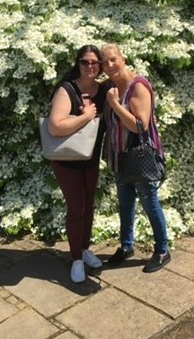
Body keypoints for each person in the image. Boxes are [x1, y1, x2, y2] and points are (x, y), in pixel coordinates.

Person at [101, 43, 171, 273]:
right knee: (125, 203)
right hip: (120, 156)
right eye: (104, 62)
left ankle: (162, 249)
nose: (109, 65)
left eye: (113, 59)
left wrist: (113, 104)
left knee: (149, 201)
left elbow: (139, 125)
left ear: (124, 59)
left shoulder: (138, 86)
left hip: (140, 156)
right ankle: (126, 246)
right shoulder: (111, 86)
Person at [48, 45, 108, 283]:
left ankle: (84, 249)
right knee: (76, 209)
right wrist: (85, 116)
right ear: (78, 63)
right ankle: (76, 260)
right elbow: (55, 126)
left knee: (89, 206)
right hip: (67, 160)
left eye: (95, 62)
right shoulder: (67, 89)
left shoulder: (103, 90)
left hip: (90, 158)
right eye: (85, 62)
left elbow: (126, 79)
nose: (90, 67)